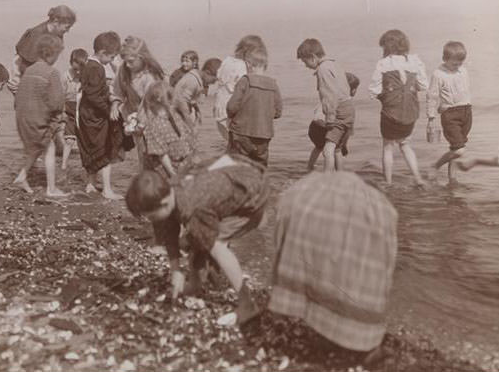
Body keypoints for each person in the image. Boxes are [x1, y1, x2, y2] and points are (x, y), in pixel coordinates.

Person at [268, 172, 397, 363]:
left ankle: (299, 314)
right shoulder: (382, 208)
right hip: (361, 336)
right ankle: (351, 334)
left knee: (312, 261)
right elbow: (386, 267)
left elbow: (280, 243)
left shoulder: (303, 190)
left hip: (309, 206)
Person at [125, 154, 269, 323]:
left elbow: (201, 234)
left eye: (151, 217)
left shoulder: (191, 207)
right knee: (197, 236)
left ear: (164, 203)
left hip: (252, 191)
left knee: (217, 245)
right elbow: (169, 229)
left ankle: (247, 305)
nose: (150, 221)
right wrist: (175, 269)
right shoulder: (169, 190)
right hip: (230, 177)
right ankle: (195, 285)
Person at [368, 29, 428, 187]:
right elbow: (423, 85)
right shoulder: (415, 61)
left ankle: (388, 182)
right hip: (410, 112)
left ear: (387, 47)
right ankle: (418, 178)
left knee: (388, 146)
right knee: (405, 144)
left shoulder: (383, 63)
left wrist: (385, 94)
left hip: (391, 112)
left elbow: (373, 90)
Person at [13, 35, 66, 198]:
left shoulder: (29, 70)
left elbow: (20, 95)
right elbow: (56, 102)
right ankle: (51, 188)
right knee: (49, 147)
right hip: (38, 118)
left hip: (22, 117)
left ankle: (21, 177)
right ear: (52, 54)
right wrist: (59, 119)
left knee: (36, 148)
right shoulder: (52, 73)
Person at [77, 31, 124, 199]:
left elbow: (91, 92)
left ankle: (90, 183)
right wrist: (110, 108)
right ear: (103, 53)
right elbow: (95, 95)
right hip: (95, 115)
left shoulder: (87, 65)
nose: (111, 61)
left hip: (86, 115)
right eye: (111, 58)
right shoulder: (97, 68)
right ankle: (107, 189)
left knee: (91, 148)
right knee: (106, 149)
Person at [297, 39, 355, 172]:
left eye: (305, 62)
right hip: (349, 108)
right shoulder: (334, 64)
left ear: (312, 57)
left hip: (339, 111)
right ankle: (340, 179)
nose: (305, 66)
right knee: (337, 149)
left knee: (327, 151)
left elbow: (330, 96)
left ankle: (326, 182)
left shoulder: (322, 69)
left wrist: (329, 118)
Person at [111, 36, 165, 167]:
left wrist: (140, 122)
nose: (127, 65)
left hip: (153, 116)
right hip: (134, 118)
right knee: (142, 152)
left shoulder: (150, 76)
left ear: (142, 58)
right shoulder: (124, 70)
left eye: (131, 61)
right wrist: (115, 103)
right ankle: (146, 178)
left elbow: (150, 103)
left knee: (157, 153)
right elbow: (117, 90)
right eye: (125, 61)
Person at [226, 46, 282, 167]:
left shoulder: (245, 81)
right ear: (265, 65)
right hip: (264, 135)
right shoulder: (273, 84)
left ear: (248, 64)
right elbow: (278, 112)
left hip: (241, 132)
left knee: (236, 164)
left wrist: (232, 116)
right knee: (260, 166)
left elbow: (231, 107)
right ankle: (259, 185)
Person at [426, 41, 472, 185]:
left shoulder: (463, 71)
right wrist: (431, 117)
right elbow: (432, 96)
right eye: (454, 64)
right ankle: (435, 165)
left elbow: (464, 91)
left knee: (455, 148)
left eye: (460, 63)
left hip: (466, 111)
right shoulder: (438, 74)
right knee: (459, 150)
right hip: (450, 114)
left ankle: (452, 180)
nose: (458, 66)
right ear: (444, 59)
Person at [7, 5, 76, 94]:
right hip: (20, 75)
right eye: (67, 27)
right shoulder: (36, 34)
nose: (68, 31)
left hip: (35, 71)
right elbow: (24, 65)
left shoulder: (57, 33)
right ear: (55, 21)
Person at [142, 81, 198, 178]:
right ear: (159, 99)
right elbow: (161, 154)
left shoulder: (175, 116)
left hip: (184, 162)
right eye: (169, 99)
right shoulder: (153, 125)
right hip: (165, 170)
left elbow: (187, 137)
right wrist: (172, 173)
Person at [214, 35, 266, 141]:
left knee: (229, 141)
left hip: (219, 108)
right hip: (231, 111)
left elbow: (219, 77)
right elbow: (244, 87)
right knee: (238, 143)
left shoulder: (227, 61)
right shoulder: (242, 66)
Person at [307, 72, 360, 171]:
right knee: (337, 151)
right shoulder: (346, 104)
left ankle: (310, 167)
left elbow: (318, 113)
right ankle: (338, 174)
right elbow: (347, 127)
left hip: (315, 127)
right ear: (352, 90)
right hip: (324, 126)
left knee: (319, 147)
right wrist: (343, 144)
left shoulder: (329, 96)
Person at [60, 48, 88, 173]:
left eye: (80, 69)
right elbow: (60, 96)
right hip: (69, 108)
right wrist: (61, 112)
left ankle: (85, 164)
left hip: (82, 109)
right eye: (75, 68)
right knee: (69, 139)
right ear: (71, 62)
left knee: (84, 139)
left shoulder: (85, 75)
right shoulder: (65, 76)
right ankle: (64, 164)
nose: (78, 71)